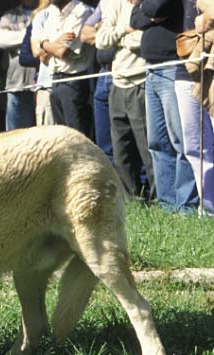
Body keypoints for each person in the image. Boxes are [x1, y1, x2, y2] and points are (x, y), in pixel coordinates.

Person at [131, 0, 198, 212]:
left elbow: (157, 7)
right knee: (157, 142)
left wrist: (145, 9)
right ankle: (168, 205)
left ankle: (186, 206)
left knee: (180, 141)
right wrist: (147, 12)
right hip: (151, 69)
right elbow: (134, 18)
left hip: (173, 67)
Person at [96, 0, 155, 200]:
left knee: (148, 148)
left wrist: (119, 38)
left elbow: (144, 41)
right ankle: (130, 199)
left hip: (141, 83)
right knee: (121, 151)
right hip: (117, 84)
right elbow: (101, 40)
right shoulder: (114, 3)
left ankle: (157, 198)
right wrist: (125, 29)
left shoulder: (148, 5)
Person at [176, 0, 214, 216]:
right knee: (195, 146)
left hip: (211, 64)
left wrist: (204, 18)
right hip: (187, 68)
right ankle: (208, 209)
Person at [38, 0, 95, 139]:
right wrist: (47, 43)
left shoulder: (82, 11)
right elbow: (41, 56)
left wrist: (45, 44)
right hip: (55, 81)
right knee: (62, 140)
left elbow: (63, 52)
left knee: (77, 140)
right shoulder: (51, 12)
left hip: (74, 83)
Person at [0, 0, 38, 131]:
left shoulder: (48, 12)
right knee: (16, 136)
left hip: (42, 86)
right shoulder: (10, 16)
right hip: (17, 85)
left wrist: (18, 45)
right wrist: (32, 37)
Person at [80, 0, 115, 161]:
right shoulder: (105, 2)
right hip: (103, 74)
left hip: (122, 72)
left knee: (126, 138)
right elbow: (85, 33)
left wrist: (102, 31)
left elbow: (129, 30)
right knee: (104, 142)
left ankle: (139, 185)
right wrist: (108, 34)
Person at [28, 0, 56, 126]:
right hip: (46, 88)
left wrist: (48, 45)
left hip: (78, 88)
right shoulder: (42, 16)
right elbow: (39, 53)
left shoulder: (84, 12)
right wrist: (61, 42)